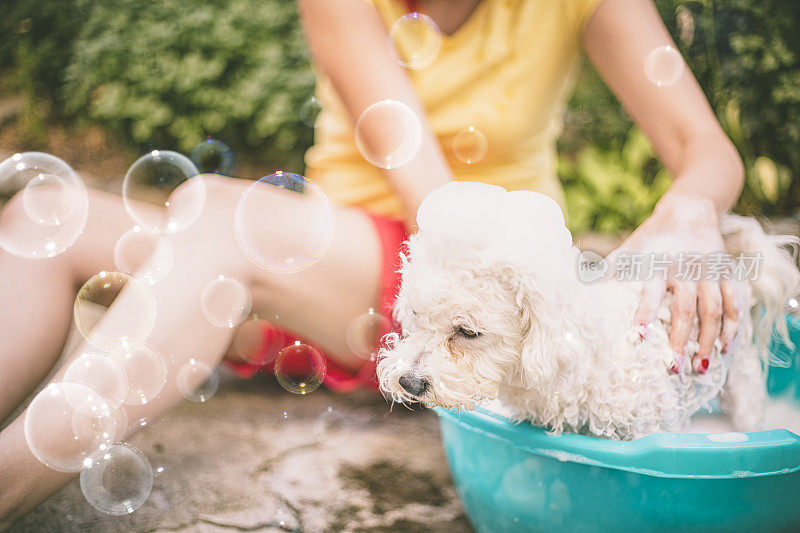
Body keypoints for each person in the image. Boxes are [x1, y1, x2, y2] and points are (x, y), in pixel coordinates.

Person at [0, 0, 744, 525]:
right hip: (330, 265)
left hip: (465, 283)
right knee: (44, 215)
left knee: (223, 220)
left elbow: (707, 151)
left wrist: (691, 208)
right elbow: (426, 193)